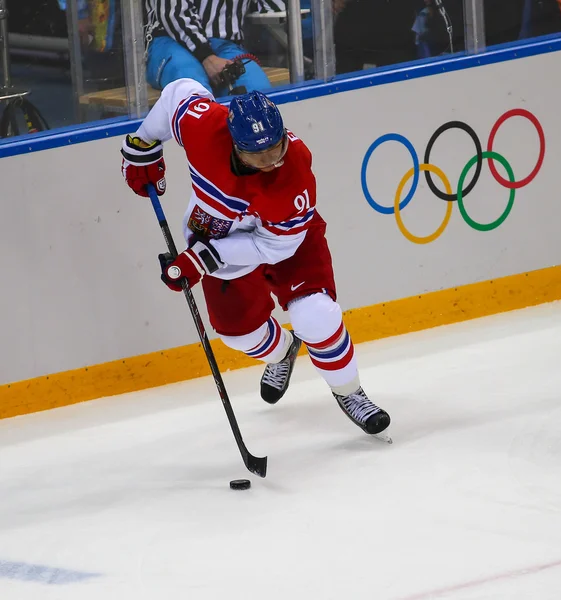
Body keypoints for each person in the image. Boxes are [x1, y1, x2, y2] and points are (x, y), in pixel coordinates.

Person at [120, 78, 391, 437]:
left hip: (284, 240)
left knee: (315, 314)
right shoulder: (204, 127)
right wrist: (143, 144)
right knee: (238, 335)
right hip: (216, 239)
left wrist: (201, 259)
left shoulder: (293, 173)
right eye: (256, 154)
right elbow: (177, 94)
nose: (270, 161)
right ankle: (282, 351)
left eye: (275, 148)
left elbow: (276, 247)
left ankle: (349, 392)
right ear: (233, 142)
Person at [144, 0, 285, 97]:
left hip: (225, 46)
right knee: (194, 91)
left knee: (257, 93)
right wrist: (206, 56)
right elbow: (172, 13)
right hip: (170, 42)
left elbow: (277, 7)